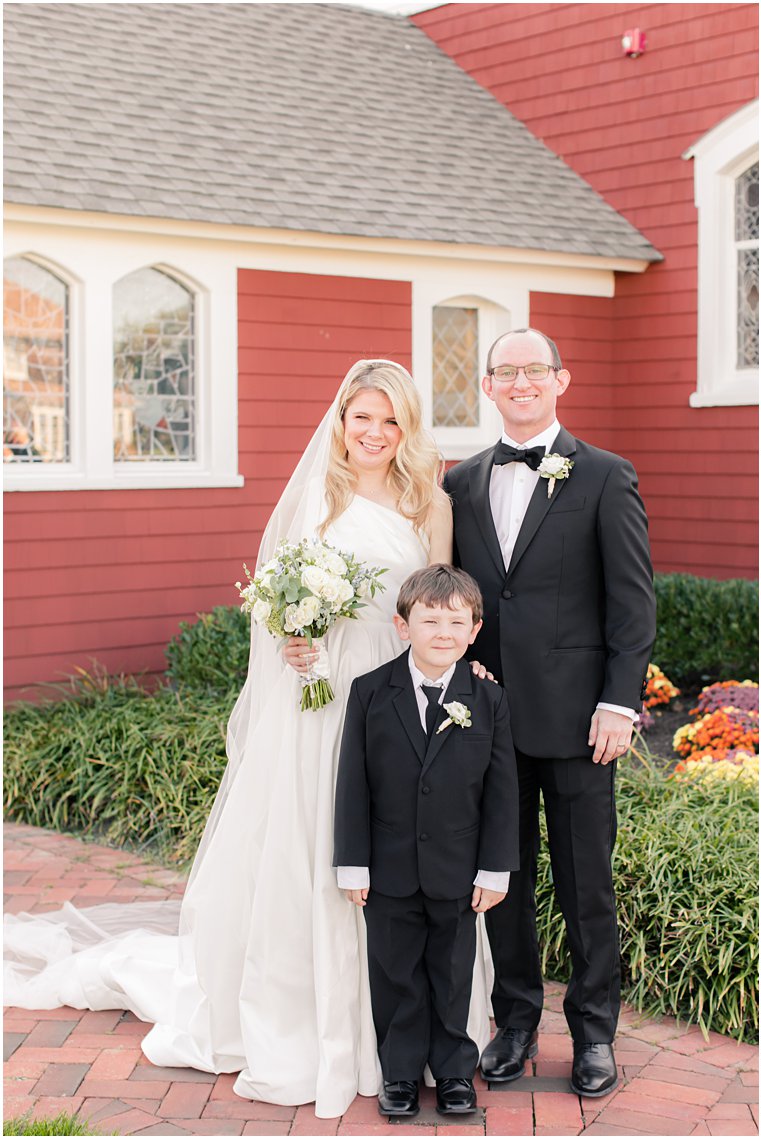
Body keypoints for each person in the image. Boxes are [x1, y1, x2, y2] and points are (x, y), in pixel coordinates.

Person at [2, 360, 492, 1118]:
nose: (374, 432)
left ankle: (413, 1033)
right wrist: (295, 639)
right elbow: (276, 602)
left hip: (398, 697)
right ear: (341, 420)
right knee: (318, 842)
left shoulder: (428, 499)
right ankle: (315, 1026)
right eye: (361, 416)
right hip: (323, 694)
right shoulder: (316, 497)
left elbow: (438, 601)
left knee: (407, 840)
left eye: (389, 420)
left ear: (408, 428)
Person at [443, 328, 656, 1098]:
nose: (522, 381)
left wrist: (618, 703)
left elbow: (633, 603)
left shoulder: (604, 475)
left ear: (560, 379)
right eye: (507, 371)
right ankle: (516, 1021)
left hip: (579, 725)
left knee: (584, 885)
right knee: (501, 879)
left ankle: (594, 1033)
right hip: (487, 722)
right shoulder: (460, 482)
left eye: (536, 369)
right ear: (490, 386)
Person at [334, 565, 518, 1120]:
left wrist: (495, 869)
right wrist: (353, 864)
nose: (443, 632)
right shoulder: (370, 692)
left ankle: (456, 1072)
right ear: (402, 625)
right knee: (396, 975)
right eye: (430, 620)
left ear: (474, 630)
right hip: (388, 868)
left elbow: (502, 792)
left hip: (458, 869)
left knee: (452, 971)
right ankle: (401, 1074)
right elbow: (353, 783)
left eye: (455, 622)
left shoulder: (488, 700)